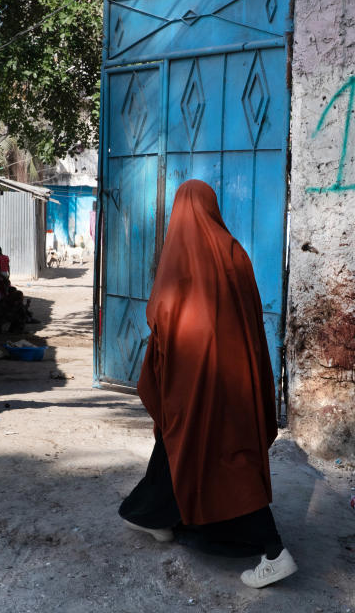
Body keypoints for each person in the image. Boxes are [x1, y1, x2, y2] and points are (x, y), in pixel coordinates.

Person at [118, 179, 297, 589]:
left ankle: (274, 552)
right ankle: (156, 516)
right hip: (234, 383)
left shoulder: (177, 261)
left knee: (220, 460)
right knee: (186, 451)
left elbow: (159, 320)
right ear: (212, 208)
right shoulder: (236, 254)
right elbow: (253, 322)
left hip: (190, 386)